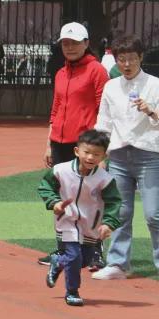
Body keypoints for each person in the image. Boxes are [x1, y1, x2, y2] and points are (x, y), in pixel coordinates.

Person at [93, 34, 159, 285]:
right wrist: (100, 156)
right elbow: (104, 124)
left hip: (150, 154)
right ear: (116, 60)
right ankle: (118, 263)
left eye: (132, 58)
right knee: (120, 211)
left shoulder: (157, 86)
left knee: (153, 213)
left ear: (141, 57)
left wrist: (151, 110)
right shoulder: (111, 87)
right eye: (122, 59)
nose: (127, 64)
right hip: (119, 154)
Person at [40, 22, 108, 266]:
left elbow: (104, 108)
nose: (69, 47)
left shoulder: (97, 70)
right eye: (65, 43)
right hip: (59, 142)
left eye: (75, 42)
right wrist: (49, 143)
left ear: (87, 44)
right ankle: (64, 249)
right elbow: (56, 109)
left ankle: (95, 251)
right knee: (63, 198)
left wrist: (100, 146)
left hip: (85, 145)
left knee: (91, 197)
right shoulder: (60, 73)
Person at [39, 129, 122, 307]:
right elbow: (45, 187)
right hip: (66, 220)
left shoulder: (105, 179)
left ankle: (58, 262)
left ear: (103, 156)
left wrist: (109, 223)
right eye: (87, 152)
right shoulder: (60, 170)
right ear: (77, 151)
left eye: (96, 154)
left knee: (85, 260)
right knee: (74, 257)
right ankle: (72, 291)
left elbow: (114, 202)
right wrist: (55, 203)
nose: (91, 157)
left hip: (90, 224)